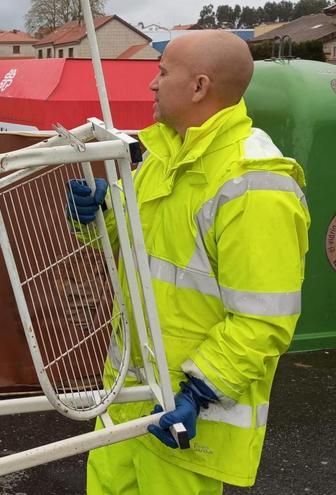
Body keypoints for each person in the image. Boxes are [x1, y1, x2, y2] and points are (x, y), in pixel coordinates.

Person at [68, 31, 311, 494]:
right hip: (125, 407)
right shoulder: (164, 157)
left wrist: (198, 394)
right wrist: (98, 214)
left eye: (162, 73)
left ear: (199, 86)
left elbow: (263, 321)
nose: (152, 87)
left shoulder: (255, 184)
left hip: (187, 423)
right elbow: (131, 239)